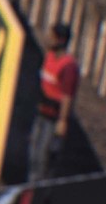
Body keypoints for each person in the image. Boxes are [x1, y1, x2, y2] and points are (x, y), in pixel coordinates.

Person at [27, 22, 79, 181]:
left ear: (61, 40)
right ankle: (31, 182)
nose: (48, 39)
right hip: (41, 111)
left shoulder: (68, 66)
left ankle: (39, 186)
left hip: (53, 118)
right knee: (33, 151)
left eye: (52, 37)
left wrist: (62, 121)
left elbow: (67, 96)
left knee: (44, 156)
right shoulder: (49, 57)